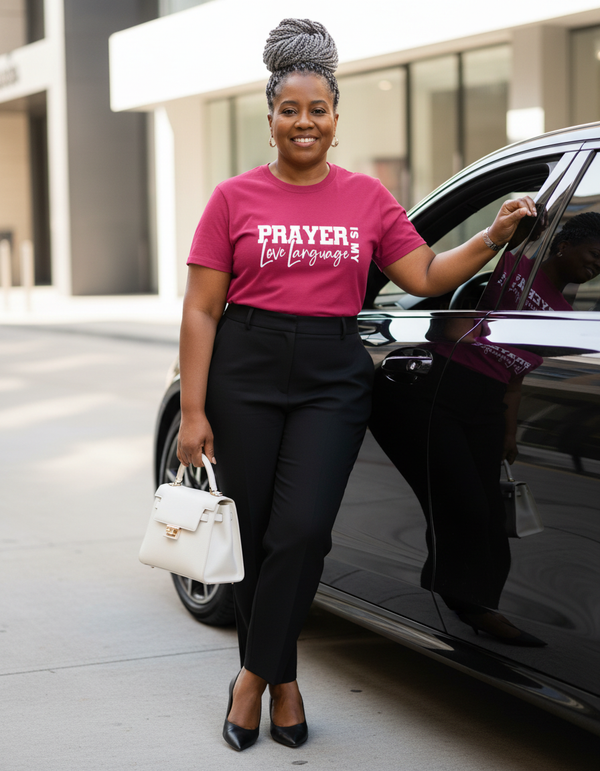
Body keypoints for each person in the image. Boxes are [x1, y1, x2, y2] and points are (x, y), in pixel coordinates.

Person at [176, 17, 536, 752]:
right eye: (290, 109)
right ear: (270, 119)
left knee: (305, 529)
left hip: (332, 375)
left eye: (318, 109)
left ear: (337, 119)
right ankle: (282, 681)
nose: (304, 121)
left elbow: (425, 274)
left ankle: (250, 676)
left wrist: (491, 237)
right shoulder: (232, 198)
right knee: (255, 531)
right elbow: (202, 309)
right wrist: (192, 409)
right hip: (245, 368)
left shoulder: (368, 198)